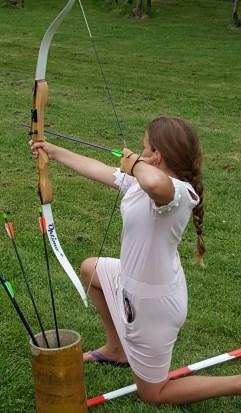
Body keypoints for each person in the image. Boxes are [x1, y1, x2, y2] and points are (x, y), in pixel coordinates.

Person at [30, 116, 241, 405]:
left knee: (153, 393)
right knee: (92, 268)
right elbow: (99, 170)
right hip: (131, 278)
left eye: (144, 148)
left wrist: (137, 165)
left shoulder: (177, 192)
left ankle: (236, 383)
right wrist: (51, 150)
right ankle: (116, 349)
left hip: (153, 304)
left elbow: (156, 183)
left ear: (157, 156)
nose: (137, 154)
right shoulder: (140, 181)